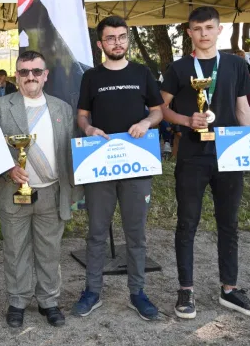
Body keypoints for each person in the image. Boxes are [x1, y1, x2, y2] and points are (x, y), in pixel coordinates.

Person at [160, 6, 250, 321]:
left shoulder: (236, 65)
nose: (204, 34)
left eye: (209, 28)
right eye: (197, 29)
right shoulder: (179, 67)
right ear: (189, 33)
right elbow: (161, 108)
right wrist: (186, 119)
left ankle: (230, 289)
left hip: (229, 154)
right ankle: (186, 290)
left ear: (219, 30)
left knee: (229, 223)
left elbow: (243, 110)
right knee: (187, 223)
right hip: (192, 156)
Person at [72, 16, 163, 321]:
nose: (117, 43)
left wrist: (146, 122)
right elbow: (82, 115)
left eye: (122, 37)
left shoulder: (142, 73)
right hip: (100, 164)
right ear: (101, 44)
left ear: (128, 39)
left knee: (136, 234)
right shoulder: (91, 77)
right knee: (97, 232)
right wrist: (88, 129)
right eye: (110, 38)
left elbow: (158, 111)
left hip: (136, 164)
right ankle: (92, 291)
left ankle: (137, 293)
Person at [0, 50, 78, 328]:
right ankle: (17, 301)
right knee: (15, 250)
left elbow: (70, 152)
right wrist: (9, 169)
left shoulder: (62, 109)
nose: (30, 77)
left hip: (51, 191)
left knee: (49, 250)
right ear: (17, 76)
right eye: (24, 72)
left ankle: (49, 301)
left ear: (45, 75)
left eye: (36, 71)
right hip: (13, 192)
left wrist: (75, 190)